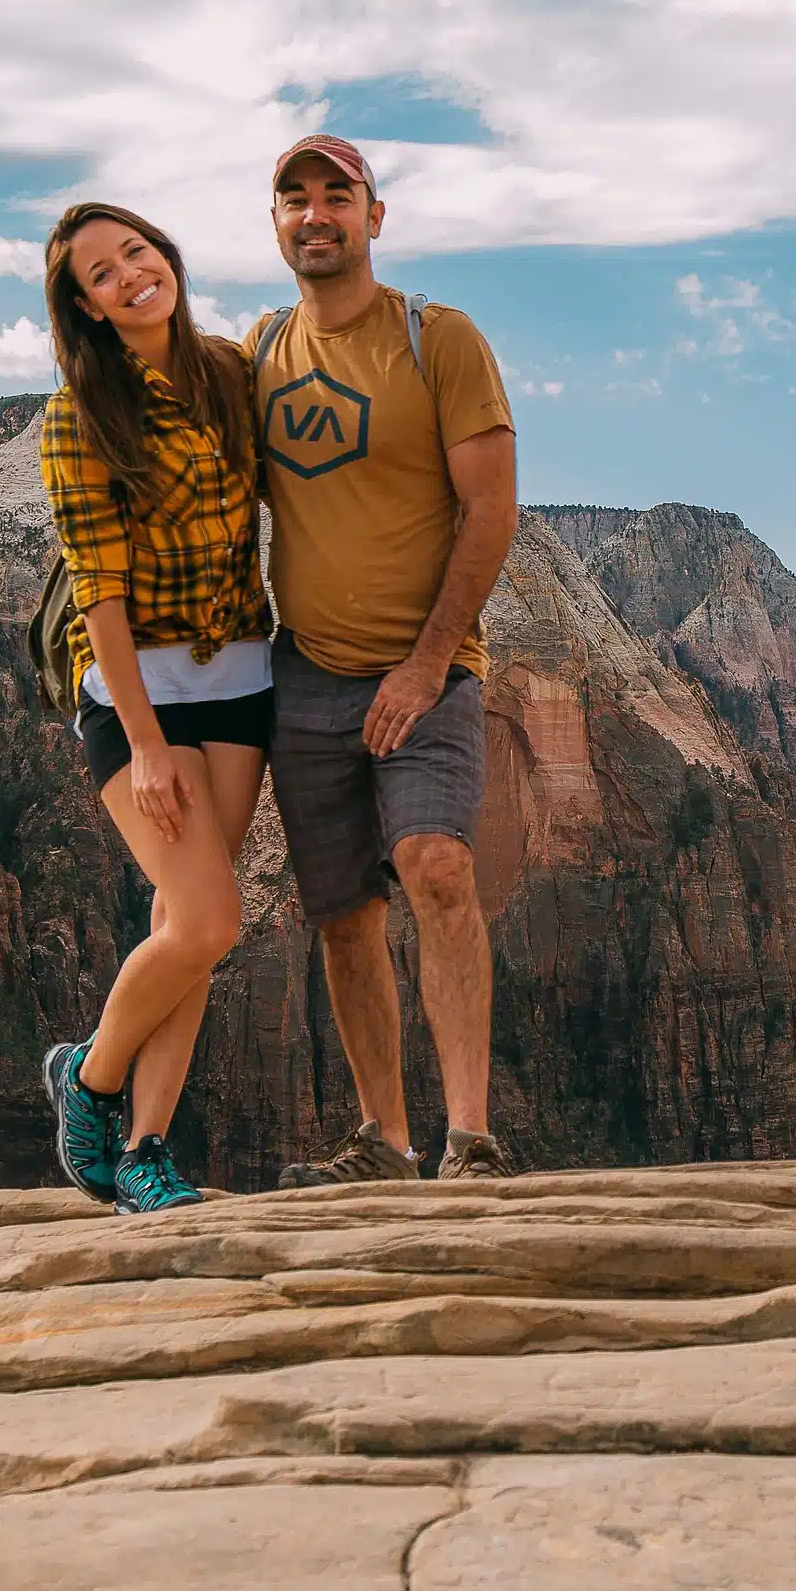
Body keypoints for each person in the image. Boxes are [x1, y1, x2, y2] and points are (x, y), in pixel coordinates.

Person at [248, 134, 522, 1183]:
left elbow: (491, 510)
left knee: (436, 867)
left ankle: (472, 1141)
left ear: (374, 214)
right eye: (294, 199)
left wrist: (424, 663)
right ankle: (386, 1142)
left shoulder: (437, 339)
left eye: (336, 196)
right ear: (276, 224)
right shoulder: (262, 351)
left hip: (432, 666)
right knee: (344, 912)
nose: (315, 215)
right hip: (305, 673)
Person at [33, 199, 272, 1214]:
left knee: (187, 924)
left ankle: (146, 1153)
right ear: (84, 309)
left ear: (166, 256)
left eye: (137, 251)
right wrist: (143, 745)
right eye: (101, 273)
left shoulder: (229, 373)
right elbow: (100, 590)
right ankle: (88, 1078)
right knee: (213, 918)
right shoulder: (78, 415)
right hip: (140, 697)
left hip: (244, 677)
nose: (129, 275)